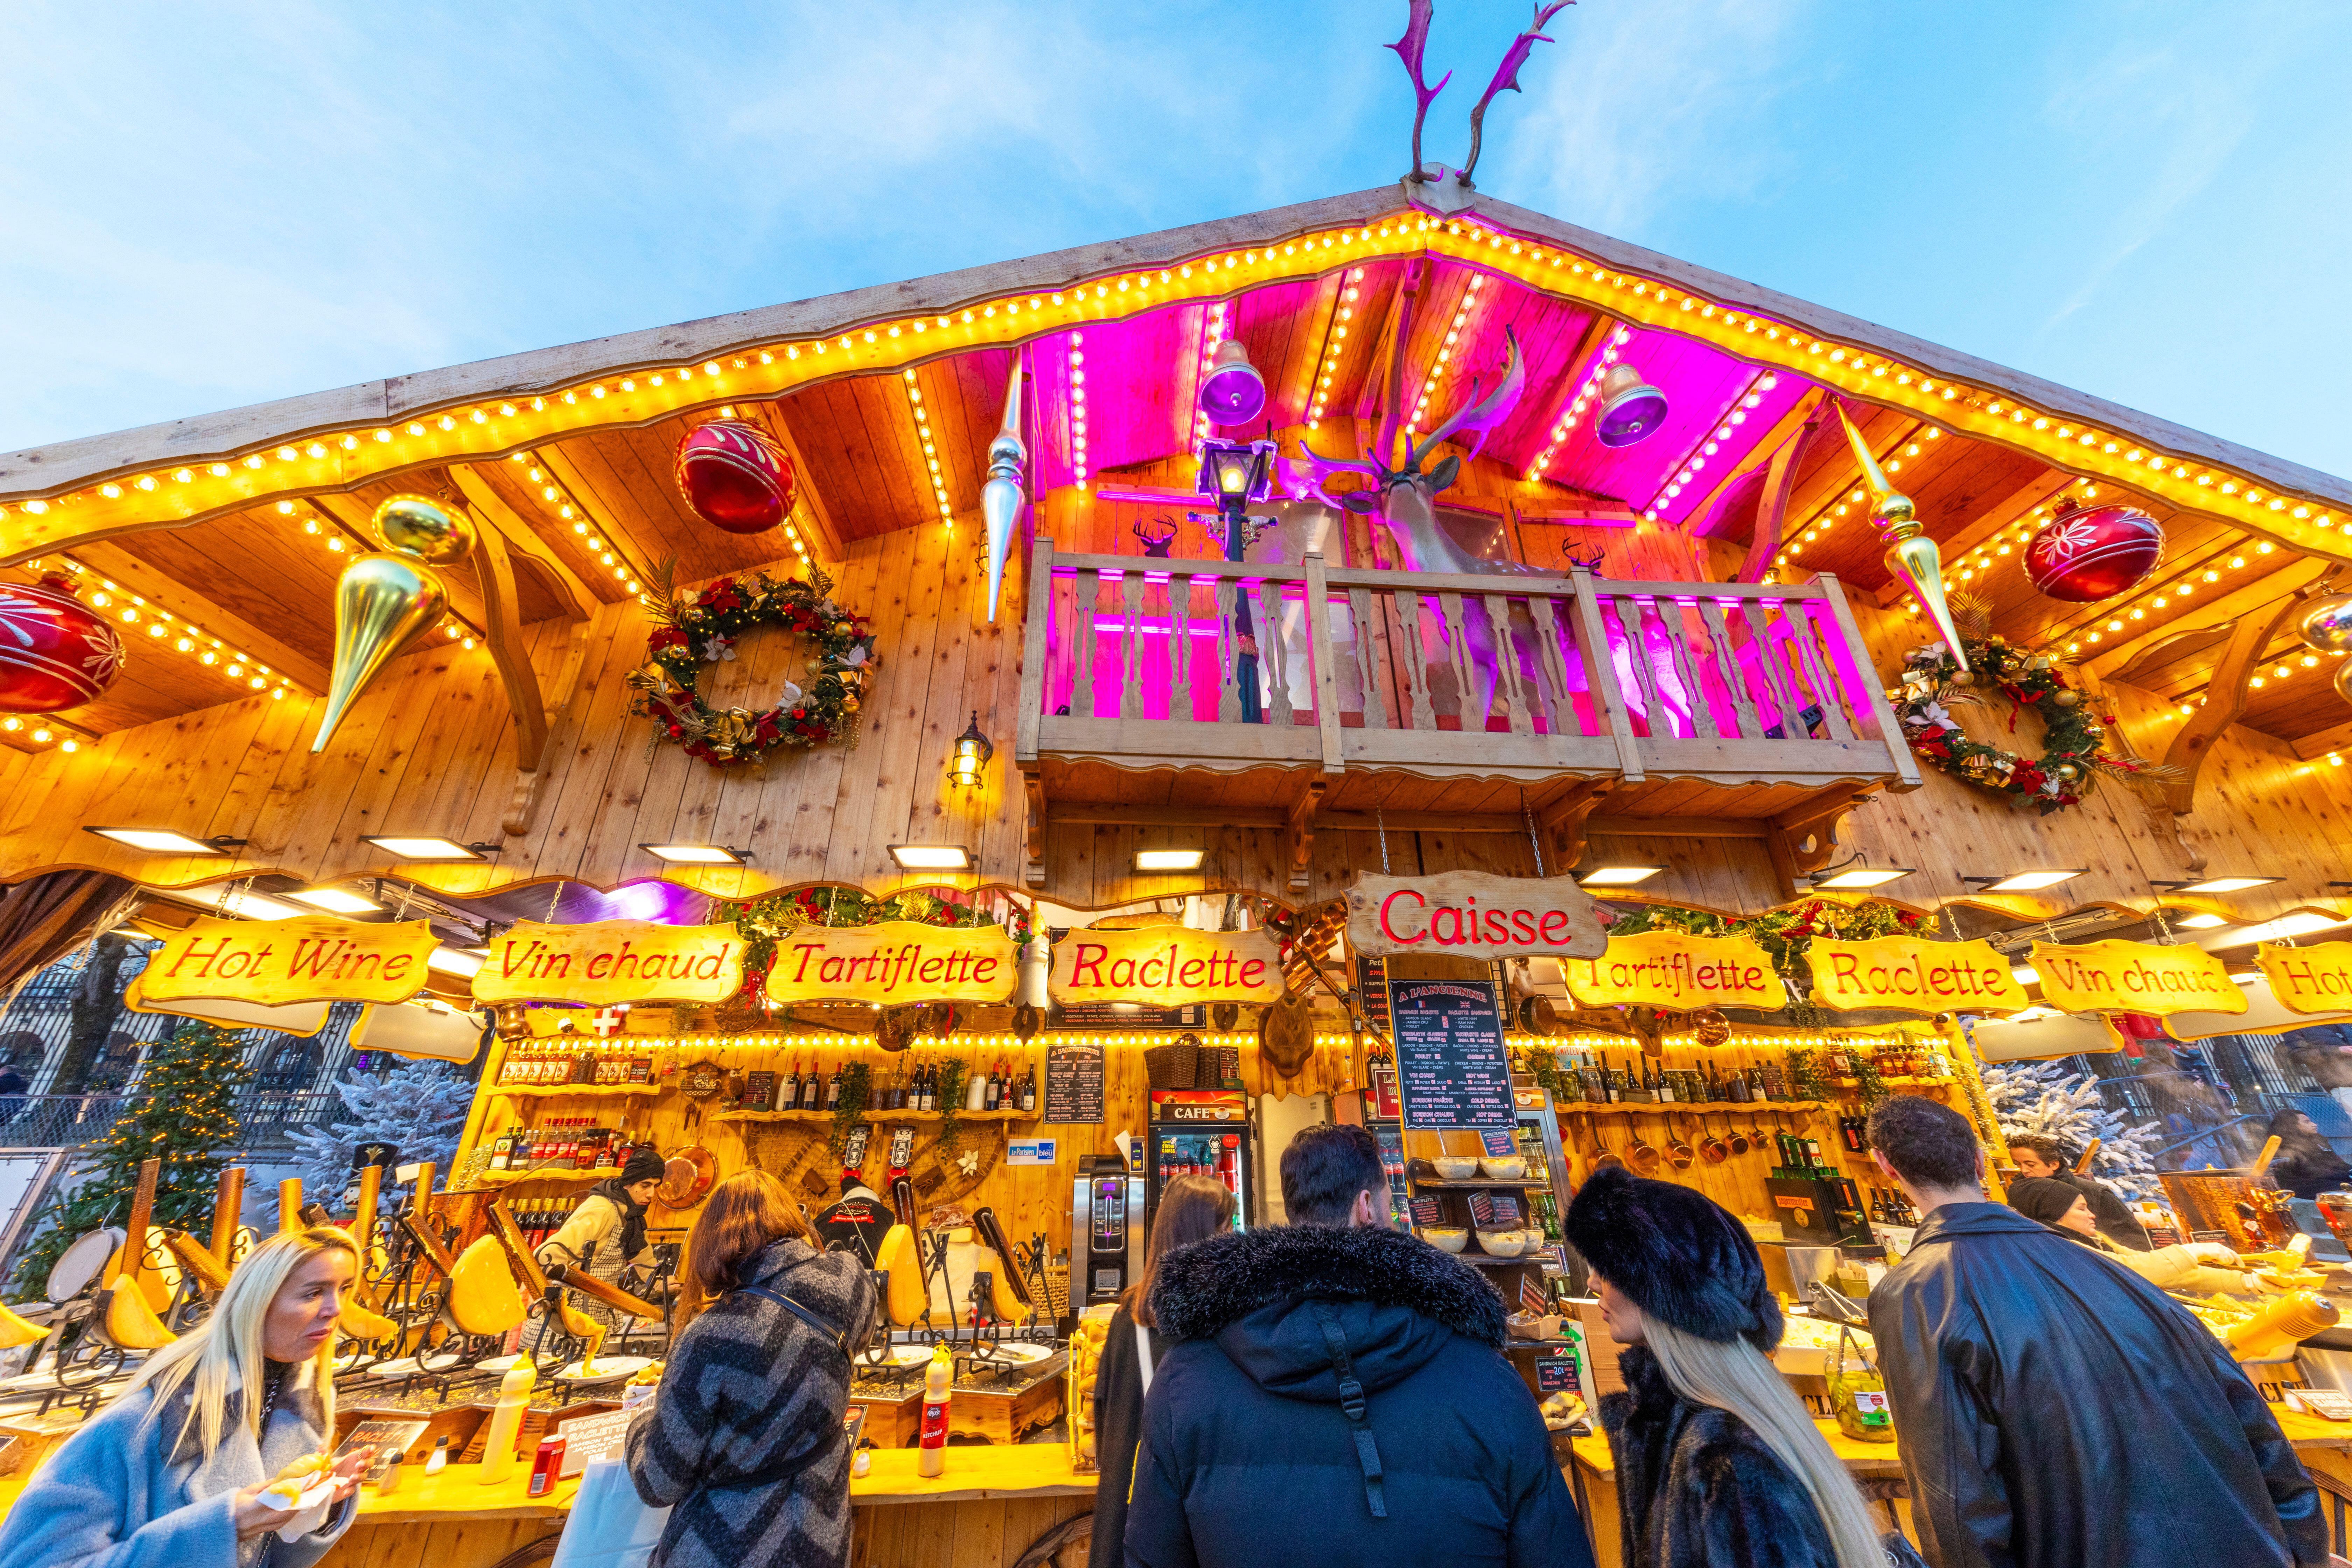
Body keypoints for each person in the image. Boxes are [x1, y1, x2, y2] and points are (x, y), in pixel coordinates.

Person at [1865, 1094, 2332, 1568]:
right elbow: (2256, 1425)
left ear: (1885, 1166)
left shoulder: (1914, 1293)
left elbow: (1955, 1487)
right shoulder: (2116, 1273)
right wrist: (2305, 1551)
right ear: (1980, 1161)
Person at [1123, 1122, 1592, 1568]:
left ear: (1295, 1214)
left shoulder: (1185, 1381)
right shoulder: (1491, 1382)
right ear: (1367, 1207)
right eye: (1389, 1205)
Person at [1564, 1166, 1891, 1568]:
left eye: (1610, 1268)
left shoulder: (1729, 1459)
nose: (1594, 1283)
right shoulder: (1681, 1422)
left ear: (1670, 1296)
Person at [0, 1227, 373, 1568]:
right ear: (258, 1303)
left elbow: (264, 1559)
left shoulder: (303, 1413)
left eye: (343, 1289)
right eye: (313, 1292)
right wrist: (223, 1526)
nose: (336, 1309)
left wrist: (321, 1504)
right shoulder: (150, 1420)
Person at [626, 1170, 877, 1568]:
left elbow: (658, 1482)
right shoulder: (852, 1284)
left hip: (728, 1549)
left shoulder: (711, 1336)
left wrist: (639, 1422)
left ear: (713, 1240)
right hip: (824, 1539)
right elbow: (855, 1341)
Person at [1087, 1174, 1236, 1568]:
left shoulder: (1126, 1319)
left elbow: (1104, 1421)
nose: (1233, 1241)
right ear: (1202, 1237)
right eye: (1226, 1229)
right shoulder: (1216, 1327)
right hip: (1185, 1528)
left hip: (1124, 1519)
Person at [2004, 1175, 2264, 1295]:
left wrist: (2248, 1283)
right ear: (2056, 1214)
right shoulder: (2059, 1246)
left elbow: (2170, 1271)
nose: (2092, 1215)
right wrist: (2194, 1250)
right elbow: (2134, 1270)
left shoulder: (2095, 1242)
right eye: (2082, 1209)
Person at [532, 1145, 665, 1352]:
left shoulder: (632, 1217)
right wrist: (558, 1300)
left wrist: (661, 1283)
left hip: (595, 1319)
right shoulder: (602, 1210)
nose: (651, 1194)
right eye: (645, 1185)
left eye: (655, 1186)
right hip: (566, 1325)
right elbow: (547, 1255)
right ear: (628, 1183)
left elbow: (645, 1261)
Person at [2003, 1133, 2149, 1250]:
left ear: (2054, 1164)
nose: (2024, 1171)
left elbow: (2135, 1240)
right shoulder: (2021, 1196)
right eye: (2018, 1164)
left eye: (2031, 1165)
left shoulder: (2095, 1193)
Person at [2265, 1109, 2352, 1200]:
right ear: (2292, 1126)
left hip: (2326, 1179)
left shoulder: (2318, 1140)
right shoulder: (2285, 1144)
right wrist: (2345, 1175)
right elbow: (2308, 1171)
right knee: (2345, 1188)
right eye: (2307, 1122)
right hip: (2302, 1185)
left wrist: (2349, 1171)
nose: (2315, 1124)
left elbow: (2336, 1162)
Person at [811, 1172, 892, 1267]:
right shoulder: (887, 1214)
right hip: (867, 1271)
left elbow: (809, 1233)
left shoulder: (828, 1211)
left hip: (821, 1266)